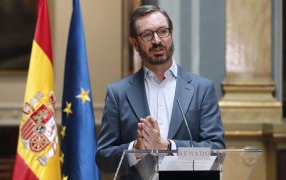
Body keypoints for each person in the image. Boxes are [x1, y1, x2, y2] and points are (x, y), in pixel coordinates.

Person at [95, 5, 225, 179]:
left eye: (163, 31)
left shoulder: (202, 89)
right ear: (134, 43)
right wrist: (136, 149)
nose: (157, 40)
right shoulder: (118, 93)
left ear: (171, 35)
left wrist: (168, 147)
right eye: (147, 35)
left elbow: (216, 151)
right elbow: (103, 158)